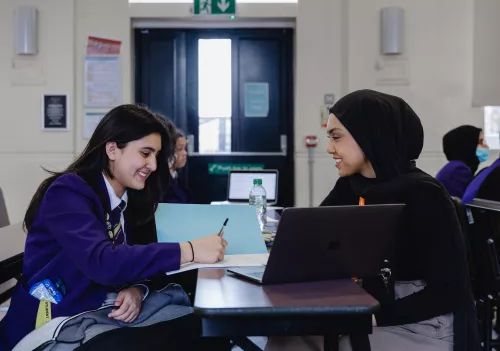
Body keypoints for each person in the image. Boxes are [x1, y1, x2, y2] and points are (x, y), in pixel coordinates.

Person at [265, 90, 479, 351]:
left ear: (370, 136)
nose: (329, 148)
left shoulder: (424, 194)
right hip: (373, 311)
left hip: (424, 327)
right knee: (284, 340)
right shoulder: (352, 186)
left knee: (308, 345)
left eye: (336, 137)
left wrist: (369, 317)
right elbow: (315, 242)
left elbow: (448, 291)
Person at [0, 104, 227, 350]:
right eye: (145, 153)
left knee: (207, 327)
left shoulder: (130, 200)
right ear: (112, 150)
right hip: (54, 323)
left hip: (101, 312)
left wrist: (137, 288)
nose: (152, 165)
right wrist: (190, 250)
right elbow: (102, 262)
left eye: (156, 156)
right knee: (201, 332)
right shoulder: (68, 191)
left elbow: (136, 257)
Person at [436, 126, 488, 198]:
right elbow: (462, 204)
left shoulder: (453, 166)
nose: (486, 146)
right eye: (480, 142)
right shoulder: (458, 170)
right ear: (469, 145)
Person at [162, 130, 193, 204]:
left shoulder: (175, 175)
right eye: (180, 149)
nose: (185, 153)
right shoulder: (161, 180)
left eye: (185, 149)